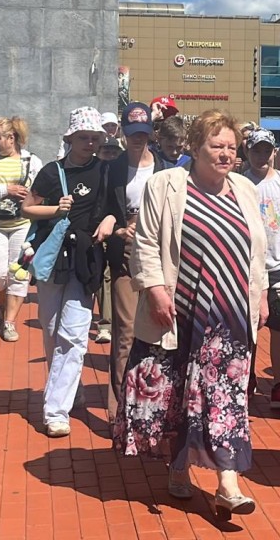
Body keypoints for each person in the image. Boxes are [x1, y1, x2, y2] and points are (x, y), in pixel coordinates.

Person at [113, 110, 268, 520]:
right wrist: (155, 290)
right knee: (181, 394)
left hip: (231, 314)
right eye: (217, 146)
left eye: (232, 147)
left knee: (226, 398)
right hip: (179, 311)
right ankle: (179, 465)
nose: (226, 154)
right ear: (196, 147)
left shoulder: (245, 190)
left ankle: (228, 483)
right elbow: (145, 242)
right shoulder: (165, 185)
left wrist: (262, 294)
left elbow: (258, 251)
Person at [22, 107, 117, 438]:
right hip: (52, 259)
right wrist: (54, 208)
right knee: (50, 331)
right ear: (70, 138)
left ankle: (55, 411)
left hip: (85, 258)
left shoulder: (106, 171)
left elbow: (114, 207)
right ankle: (68, 388)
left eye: (94, 138)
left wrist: (110, 219)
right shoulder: (51, 172)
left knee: (74, 335)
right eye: (83, 138)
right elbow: (28, 207)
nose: (89, 143)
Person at [104, 102, 167, 420]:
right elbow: (102, 211)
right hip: (125, 257)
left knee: (158, 329)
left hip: (159, 256)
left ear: (151, 133)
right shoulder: (112, 169)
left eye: (143, 132)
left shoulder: (166, 169)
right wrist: (117, 227)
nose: (138, 138)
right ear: (124, 133)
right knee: (126, 331)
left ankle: (151, 402)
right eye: (132, 133)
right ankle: (120, 410)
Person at [242, 129, 280, 409]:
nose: (261, 156)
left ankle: (279, 383)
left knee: (279, 326)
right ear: (248, 152)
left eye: (266, 151)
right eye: (256, 150)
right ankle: (246, 378)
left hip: (279, 265)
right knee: (248, 327)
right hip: (247, 267)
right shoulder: (240, 182)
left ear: (274, 152)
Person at [0, 117, 44, 342]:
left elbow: (41, 188)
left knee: (18, 274)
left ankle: (9, 322)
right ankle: (2, 305)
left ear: (11, 138)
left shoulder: (32, 161)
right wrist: (6, 189)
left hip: (22, 226)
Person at [93, 135, 125, 345]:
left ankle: (118, 321)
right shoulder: (94, 171)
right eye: (107, 152)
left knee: (118, 278)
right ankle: (105, 324)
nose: (111, 156)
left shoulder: (123, 172)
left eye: (115, 152)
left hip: (120, 231)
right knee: (102, 277)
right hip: (98, 229)